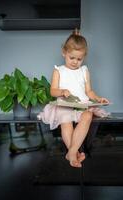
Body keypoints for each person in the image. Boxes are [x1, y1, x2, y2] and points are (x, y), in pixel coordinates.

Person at [38, 28, 110, 168]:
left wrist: (98, 98)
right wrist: (62, 91)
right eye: (72, 58)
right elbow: (52, 91)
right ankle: (73, 153)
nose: (75, 62)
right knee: (66, 121)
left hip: (81, 105)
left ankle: (71, 152)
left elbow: (89, 91)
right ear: (64, 52)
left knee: (88, 116)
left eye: (79, 59)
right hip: (65, 105)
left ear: (84, 57)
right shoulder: (58, 70)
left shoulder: (84, 71)